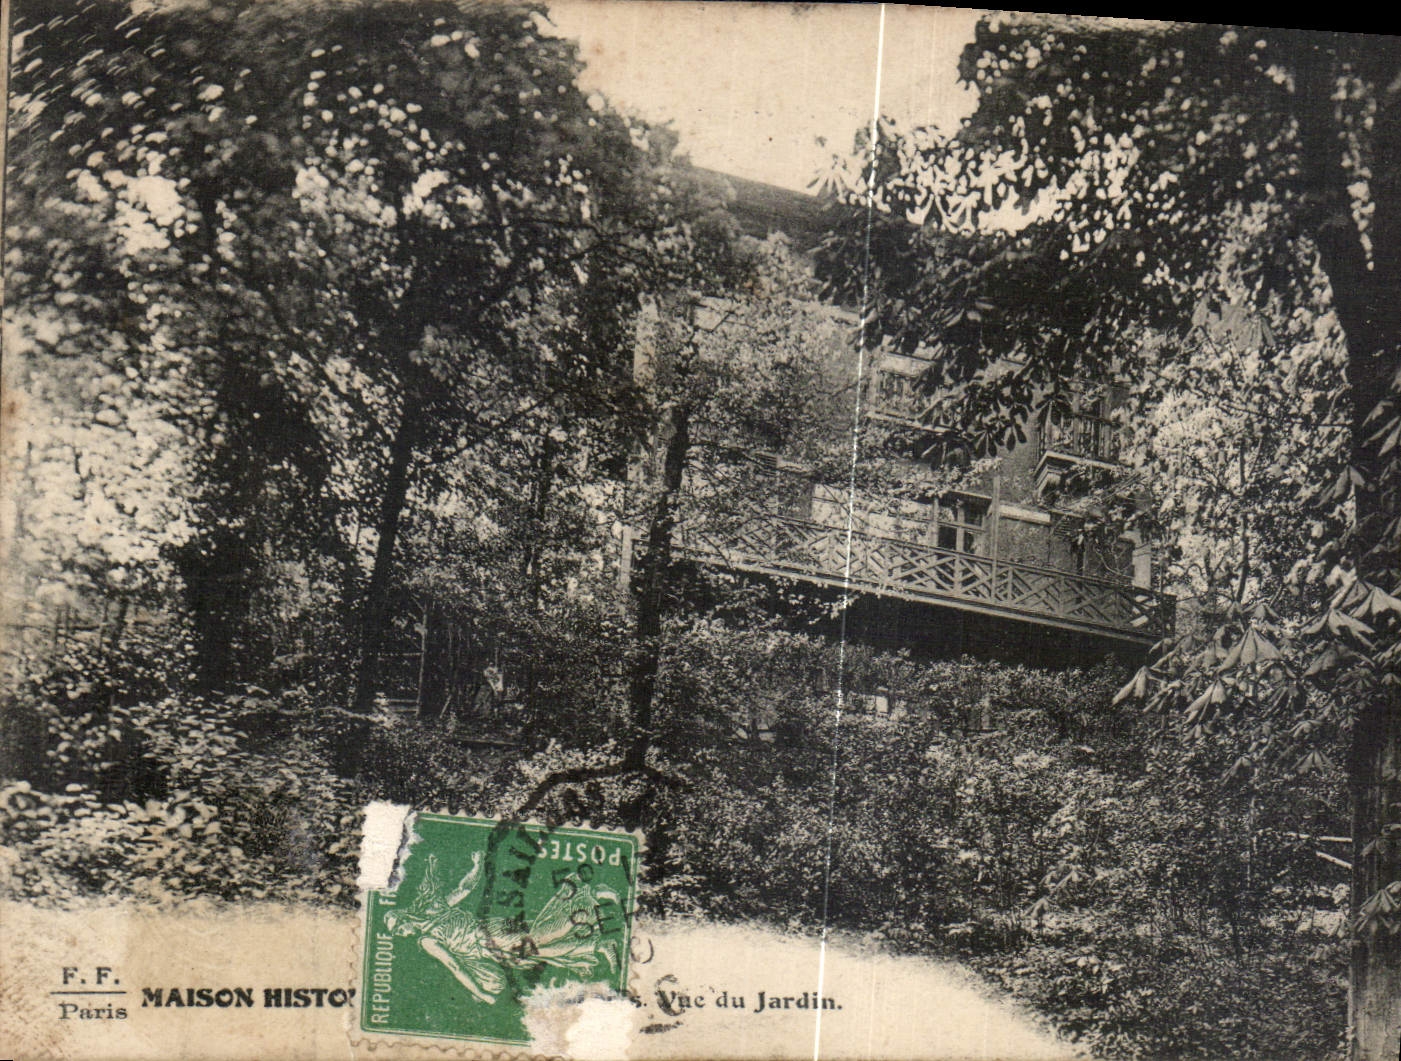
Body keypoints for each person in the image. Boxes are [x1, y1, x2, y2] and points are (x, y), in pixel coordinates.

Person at [384, 851, 621, 1004]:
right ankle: (595, 930)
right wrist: (476, 866)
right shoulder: (434, 911)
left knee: (540, 939)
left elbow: (455, 966)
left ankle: (588, 902)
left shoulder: (427, 938)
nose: (402, 934)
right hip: (492, 937)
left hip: (491, 938)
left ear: (405, 917)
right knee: (544, 941)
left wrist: (482, 994)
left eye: (398, 929)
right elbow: (464, 889)